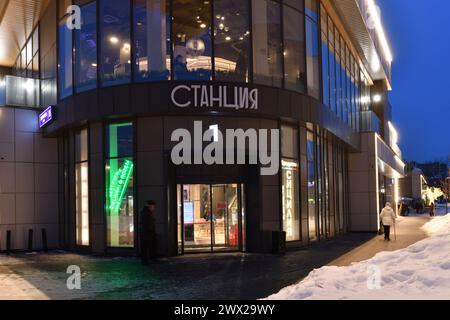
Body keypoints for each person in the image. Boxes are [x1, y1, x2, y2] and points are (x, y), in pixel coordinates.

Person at [140, 200, 157, 265]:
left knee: (145, 247)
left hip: (146, 233)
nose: (154, 208)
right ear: (150, 206)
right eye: (153, 206)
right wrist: (152, 231)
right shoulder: (147, 213)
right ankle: (146, 260)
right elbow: (148, 224)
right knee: (146, 247)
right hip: (147, 233)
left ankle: (146, 259)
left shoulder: (146, 212)